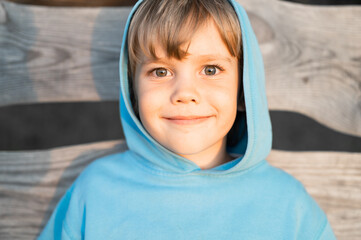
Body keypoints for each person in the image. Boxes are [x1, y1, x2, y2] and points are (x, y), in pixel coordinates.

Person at [38, 0, 336, 239]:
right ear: (133, 92)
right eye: (160, 71)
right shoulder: (96, 191)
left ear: (244, 90)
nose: (184, 94)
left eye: (210, 70)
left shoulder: (287, 204)